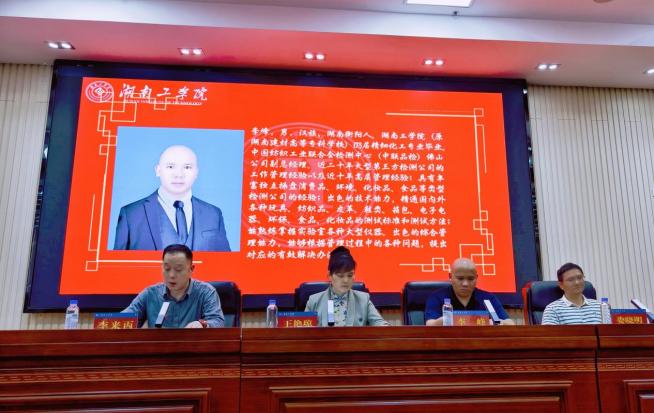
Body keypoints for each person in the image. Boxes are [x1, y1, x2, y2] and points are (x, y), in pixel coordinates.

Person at [113, 144, 231, 251]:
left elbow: (225, 262)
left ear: (196, 172)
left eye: (187, 167)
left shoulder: (213, 214)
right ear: (158, 170)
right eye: (170, 167)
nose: (178, 175)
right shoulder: (131, 214)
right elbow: (117, 265)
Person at [122, 244, 225, 328]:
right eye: (167, 269)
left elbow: (218, 322)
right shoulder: (150, 294)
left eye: (178, 269)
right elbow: (124, 320)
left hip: (193, 347)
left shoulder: (206, 292)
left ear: (191, 269)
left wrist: (202, 324)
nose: (171, 275)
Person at [305, 246, 389, 326]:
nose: (346, 280)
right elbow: (304, 331)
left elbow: (379, 323)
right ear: (329, 276)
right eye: (340, 276)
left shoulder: (364, 299)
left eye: (350, 275)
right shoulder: (314, 301)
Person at [425, 258, 515, 326]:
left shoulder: (488, 298)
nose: (465, 284)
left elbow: (510, 323)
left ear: (476, 277)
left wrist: (496, 322)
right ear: (450, 277)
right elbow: (430, 324)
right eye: (460, 278)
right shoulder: (437, 297)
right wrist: (446, 320)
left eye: (471, 279)